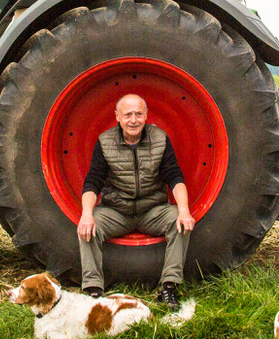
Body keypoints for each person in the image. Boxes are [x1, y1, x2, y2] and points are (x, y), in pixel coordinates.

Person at [78, 94, 194, 310]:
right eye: (128, 114)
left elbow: (174, 176)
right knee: (87, 227)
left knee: (179, 224)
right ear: (118, 118)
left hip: (152, 210)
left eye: (138, 114)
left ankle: (168, 287)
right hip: (116, 212)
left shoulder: (160, 138)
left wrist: (184, 210)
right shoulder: (105, 141)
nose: (134, 120)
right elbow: (93, 181)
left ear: (146, 115)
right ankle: (92, 290)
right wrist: (86, 214)